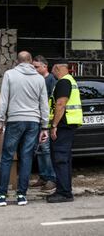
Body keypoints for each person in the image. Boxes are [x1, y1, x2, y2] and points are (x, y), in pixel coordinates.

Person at [0, 51, 49, 206]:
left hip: (15, 120)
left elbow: (4, 100)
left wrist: (0, 122)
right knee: (26, 157)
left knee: (7, 157)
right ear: (30, 61)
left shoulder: (10, 74)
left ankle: (1, 196)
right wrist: (45, 127)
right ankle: (22, 195)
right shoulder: (39, 78)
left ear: (17, 61)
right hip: (33, 122)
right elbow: (44, 104)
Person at [46, 60, 83, 203]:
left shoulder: (63, 82)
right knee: (65, 159)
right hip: (69, 125)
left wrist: (54, 125)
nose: (52, 72)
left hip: (63, 125)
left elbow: (61, 104)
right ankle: (64, 190)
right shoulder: (70, 80)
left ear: (57, 68)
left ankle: (64, 193)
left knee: (60, 159)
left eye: (53, 69)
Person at [31, 55, 57, 192]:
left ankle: (51, 178)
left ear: (44, 66)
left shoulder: (51, 80)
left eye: (36, 67)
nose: (34, 69)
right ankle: (43, 176)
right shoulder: (38, 80)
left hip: (46, 121)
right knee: (40, 150)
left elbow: (53, 102)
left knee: (46, 150)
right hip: (39, 119)